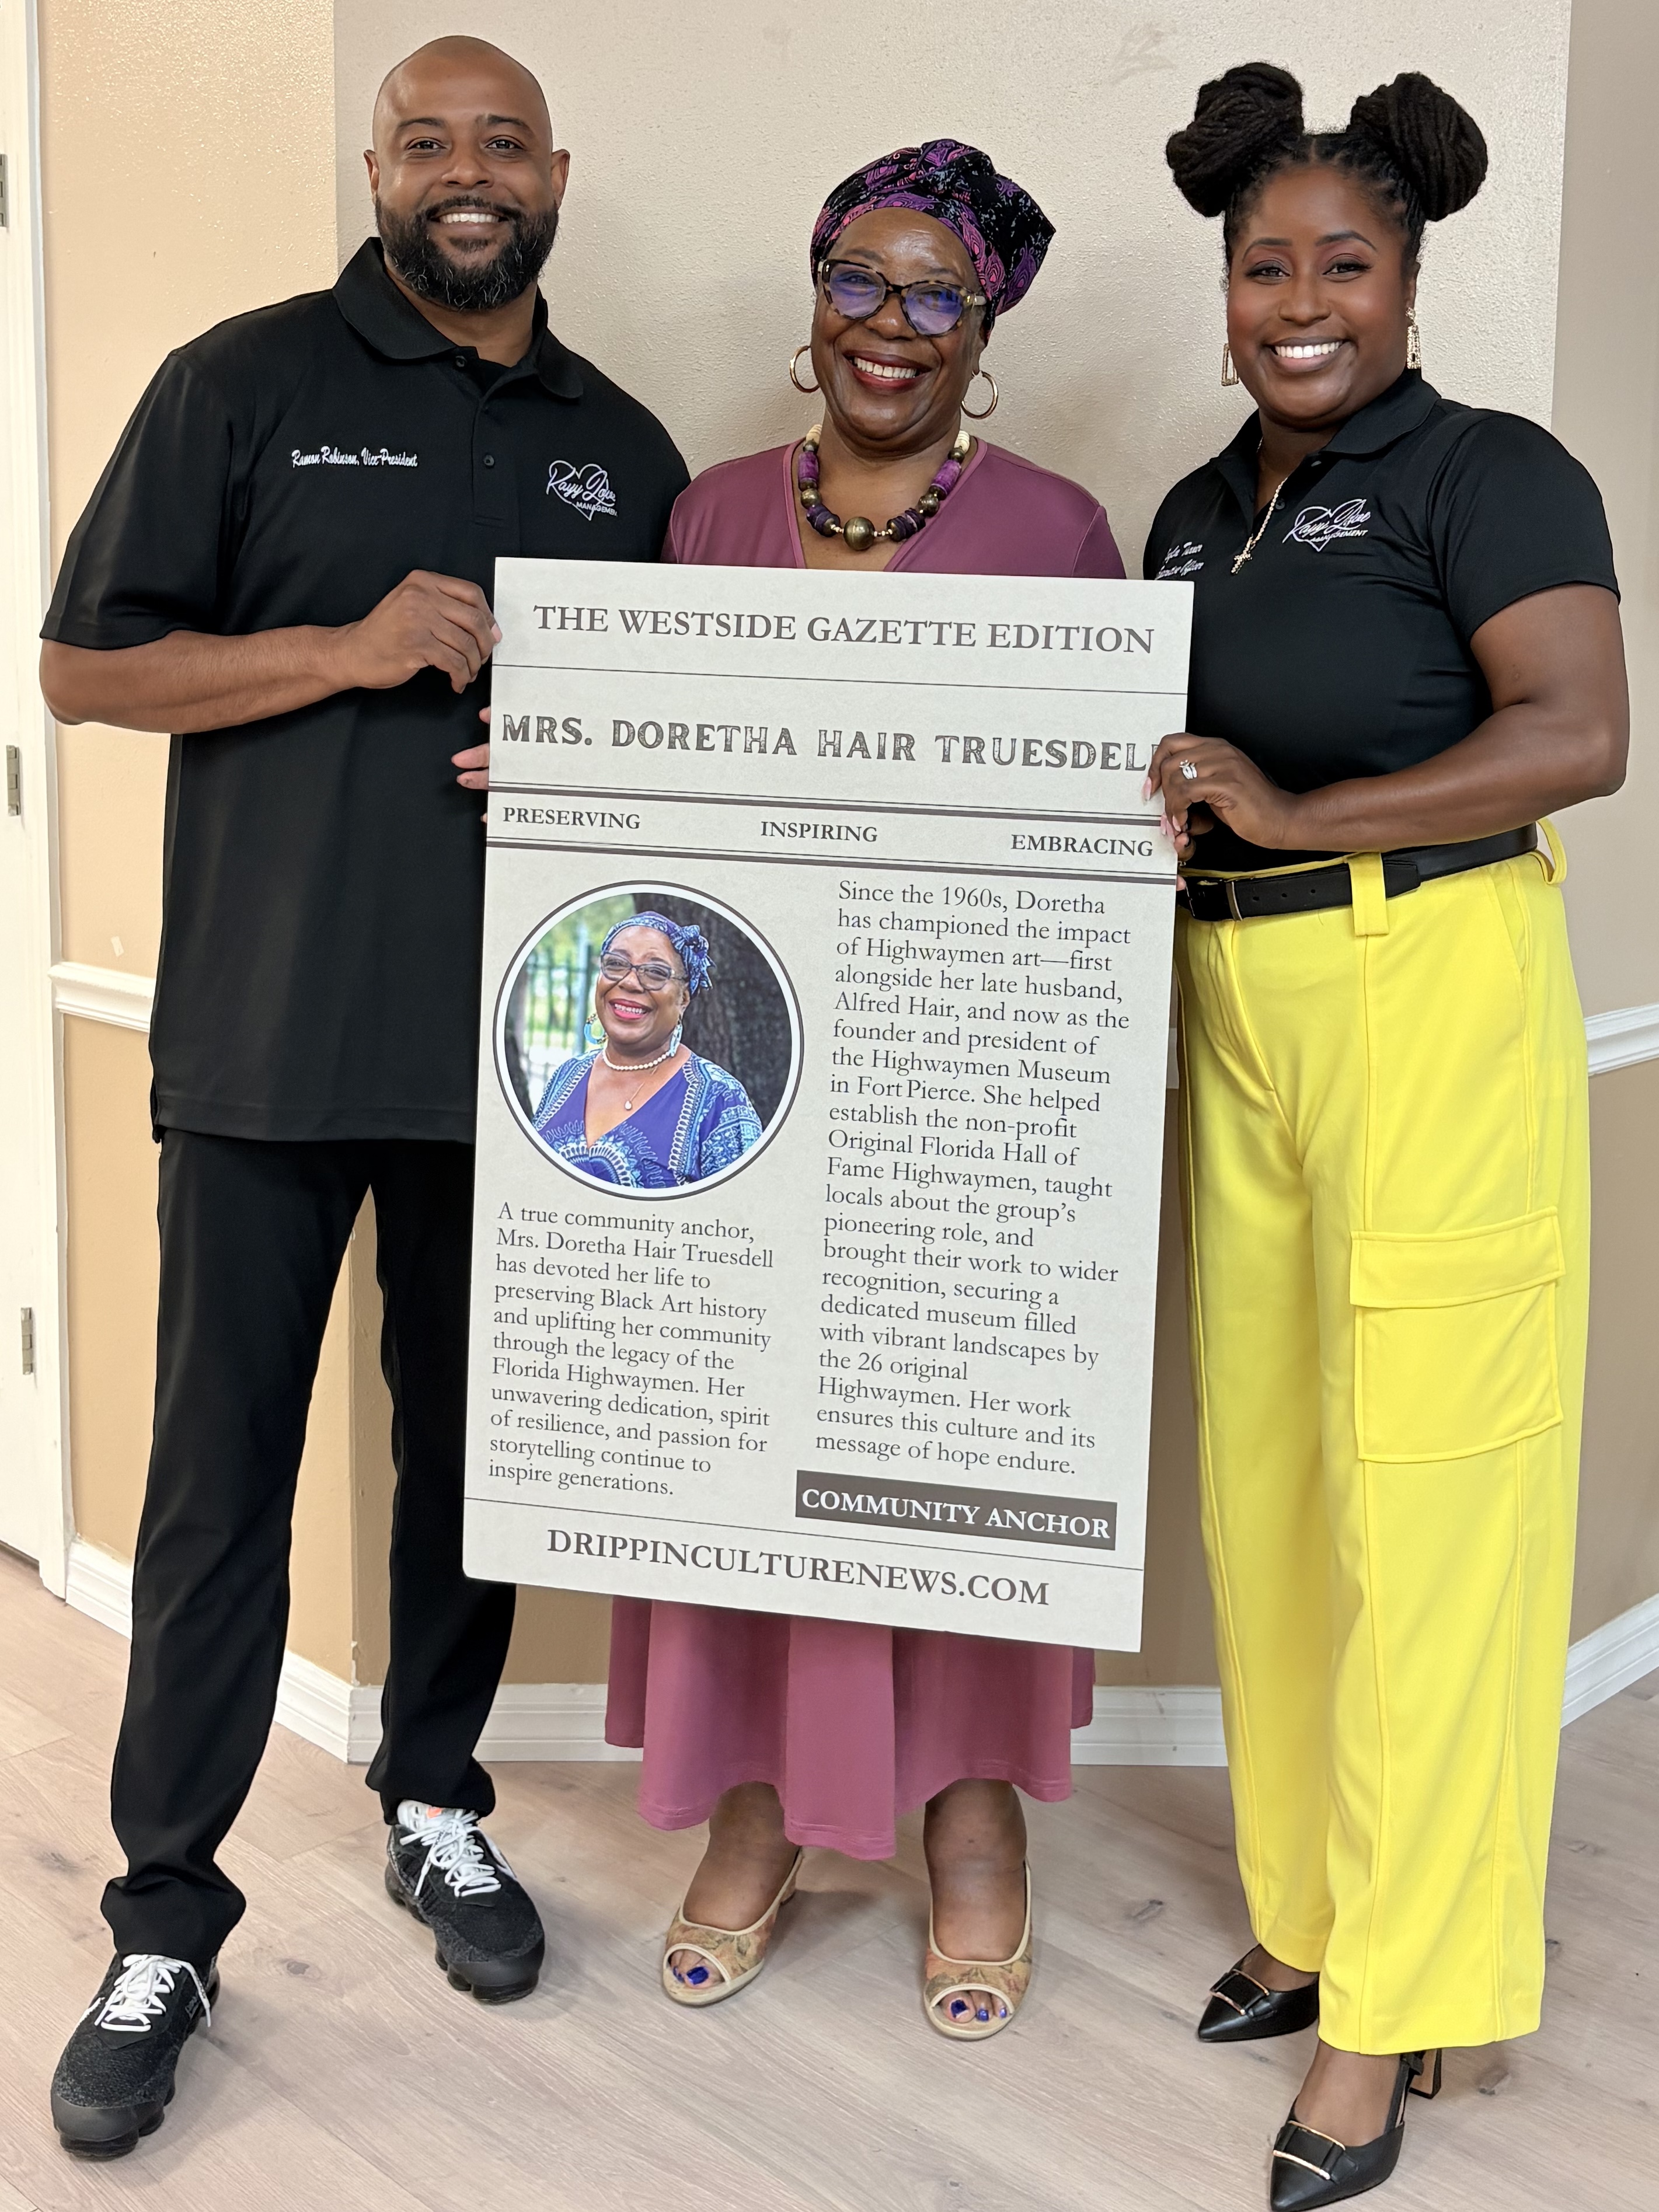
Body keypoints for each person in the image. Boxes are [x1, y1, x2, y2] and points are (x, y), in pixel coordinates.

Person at [39, 36, 687, 2158]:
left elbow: (672, 761)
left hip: (529, 1068)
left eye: (503, 141)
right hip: (259, 1045)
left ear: (556, 173)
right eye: (430, 141)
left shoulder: (624, 446)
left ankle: (437, 1800)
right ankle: (163, 1916)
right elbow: (87, 665)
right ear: (382, 167)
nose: (467, 174)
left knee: (475, 1467)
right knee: (216, 1483)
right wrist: (336, 645)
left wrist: (586, 746)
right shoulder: (243, 383)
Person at [1146, 64, 1626, 2208]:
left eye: (1344, 260)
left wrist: (1305, 811)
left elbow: (1576, 735)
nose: (1301, 297)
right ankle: (1322, 1901)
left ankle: (1402, 1996)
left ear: (1411, 279)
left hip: (1426, 985)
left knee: (1436, 1498)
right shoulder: (1187, 508)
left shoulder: (1491, 473)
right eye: (1267, 263)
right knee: (1272, 1474)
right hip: (1236, 995)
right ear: (1225, 285)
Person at [609, 139, 1125, 2039]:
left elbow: (1093, 818)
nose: (889, 326)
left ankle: (973, 1825)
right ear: (811, 288)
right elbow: (658, 794)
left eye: (937, 296)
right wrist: (564, 786)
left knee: (956, 1453)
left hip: (961, 1089)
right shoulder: (711, 512)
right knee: (742, 1444)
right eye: (861, 279)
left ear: (984, 327)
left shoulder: (1062, 531)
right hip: (742, 1086)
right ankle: (757, 1809)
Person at [532, 912, 763, 1185]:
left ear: (684, 999)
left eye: (655, 972)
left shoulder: (720, 1098)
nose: (629, 982)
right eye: (616, 964)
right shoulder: (567, 1076)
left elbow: (744, 1217)